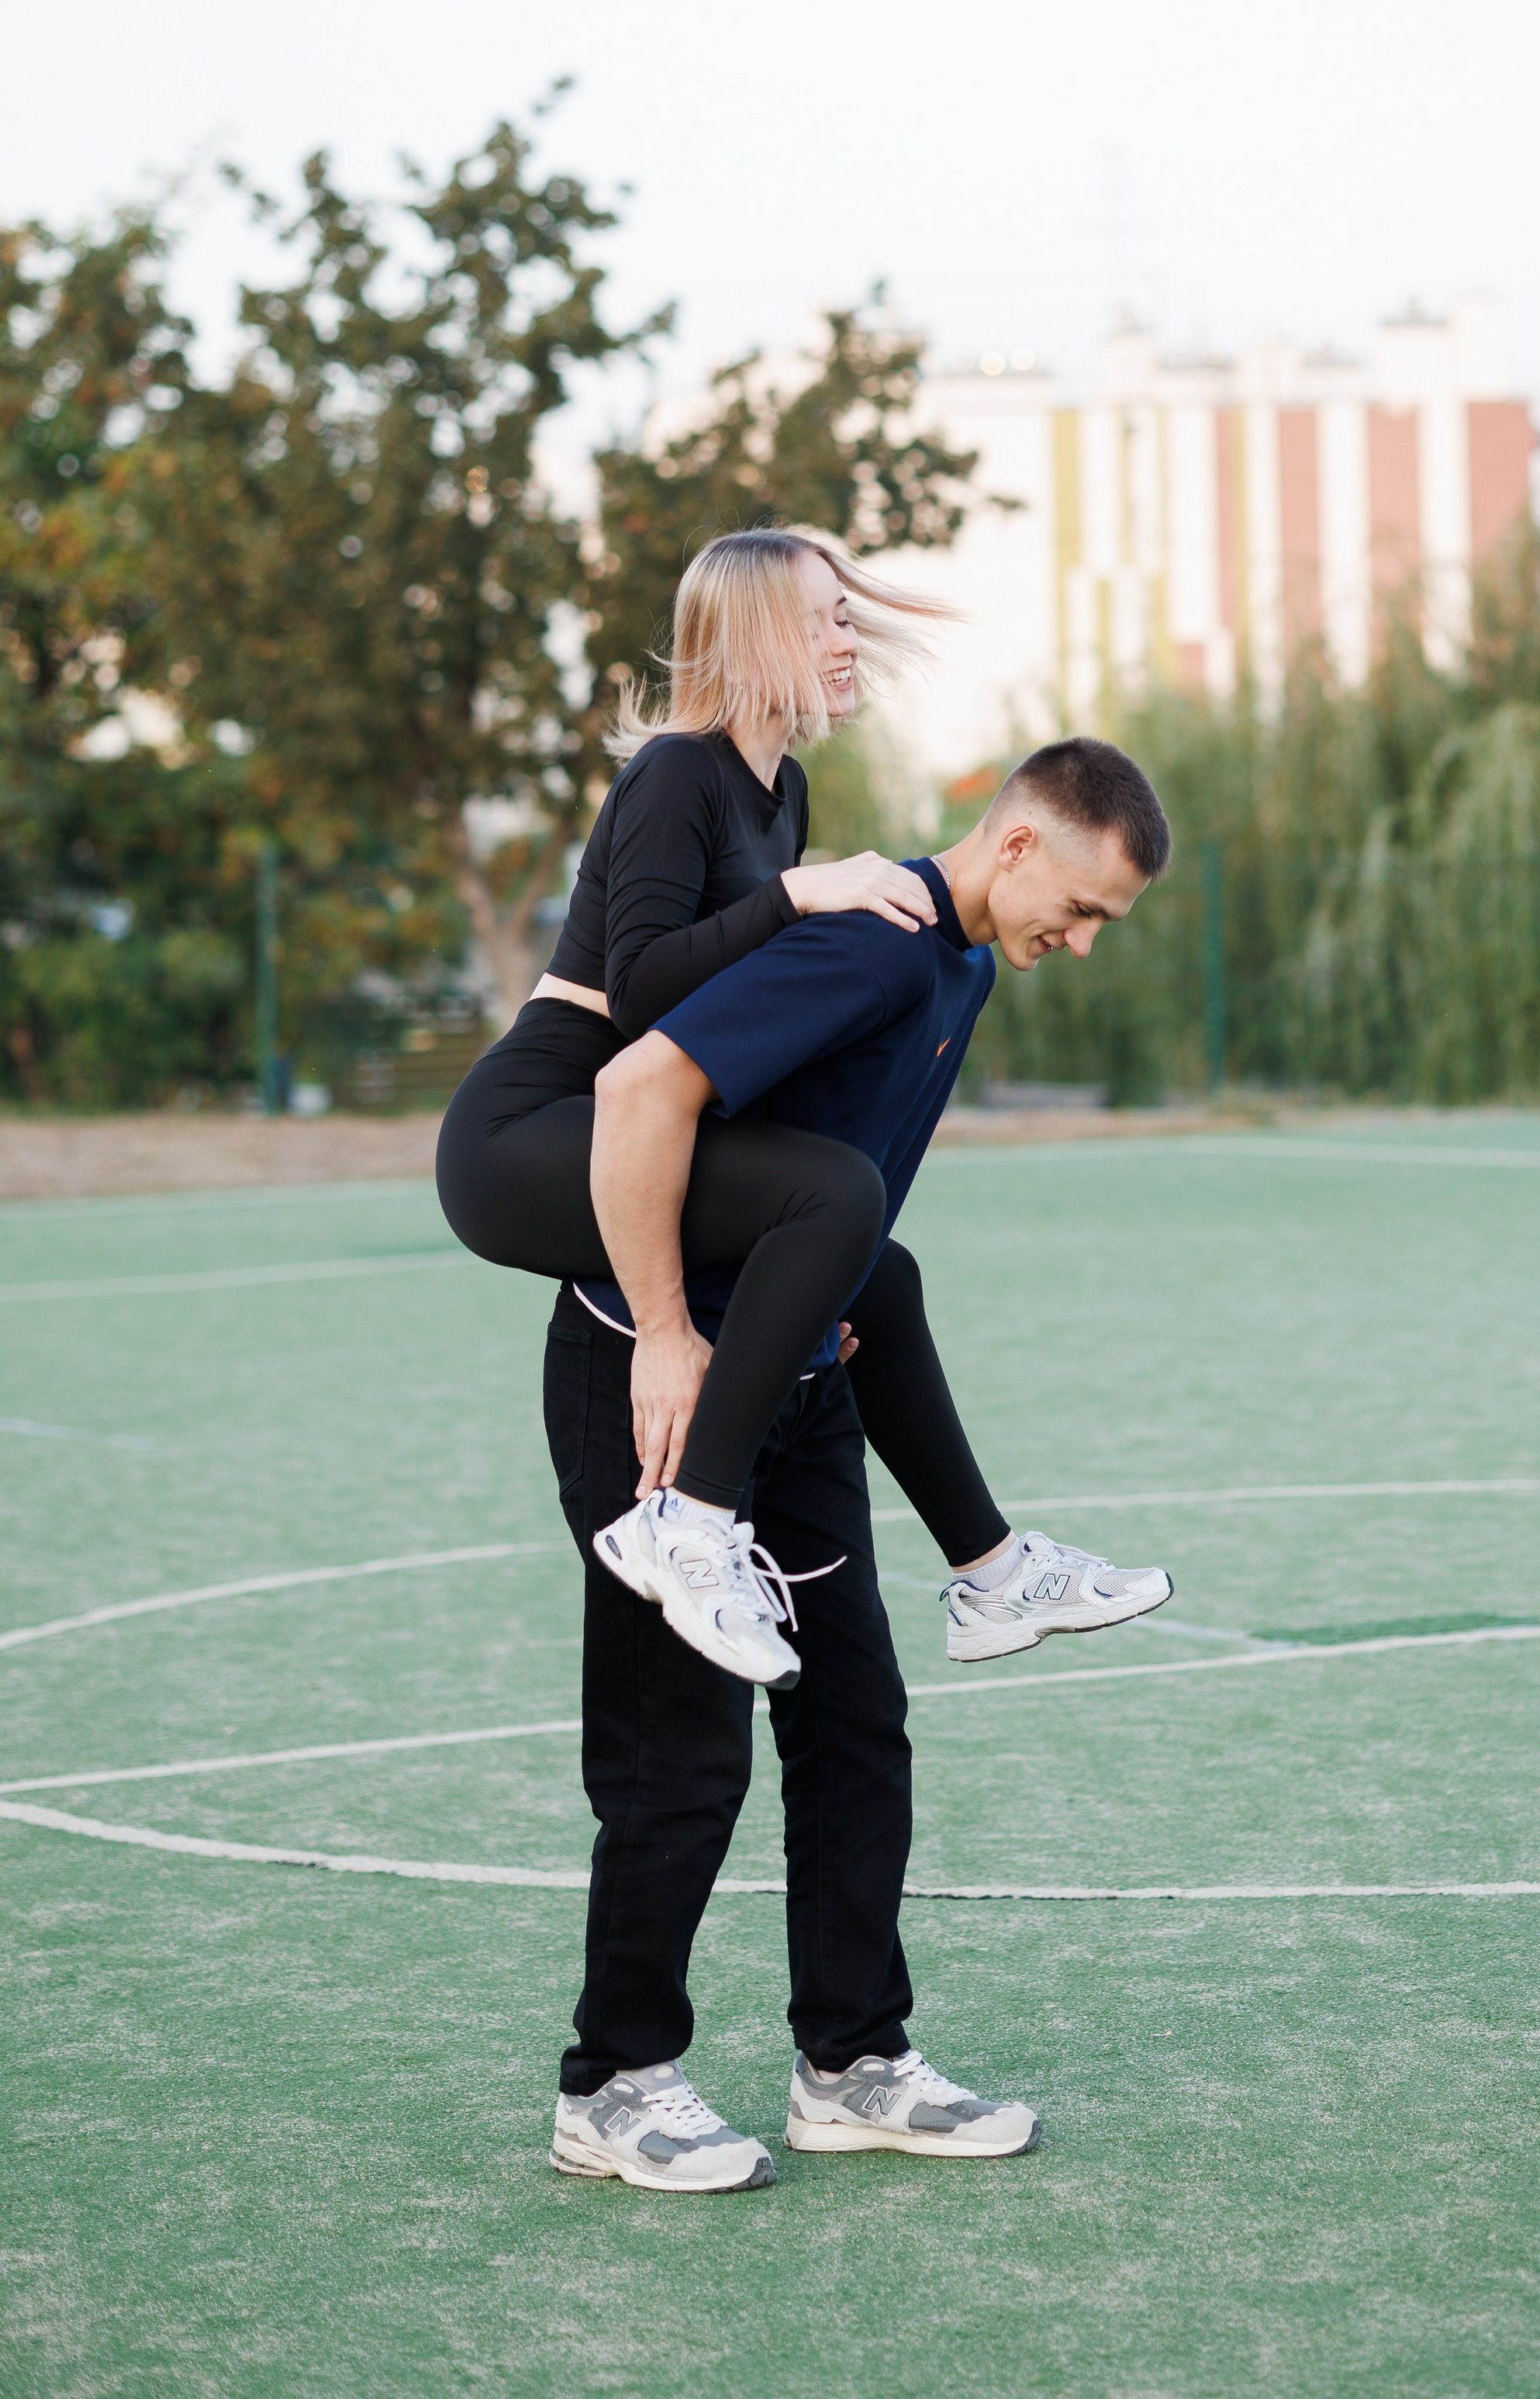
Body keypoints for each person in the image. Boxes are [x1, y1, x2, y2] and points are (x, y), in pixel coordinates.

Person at [547, 738, 1172, 2192]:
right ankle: (615, 2082)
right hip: (660, 1385)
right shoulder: (875, 947)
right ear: (1013, 845)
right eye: (1076, 909)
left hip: (803, 1381)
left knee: (852, 1727)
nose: (1075, 945)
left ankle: (852, 2062)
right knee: (681, 1751)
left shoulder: (960, 968)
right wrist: (659, 1334)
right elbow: (642, 1089)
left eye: (1101, 929)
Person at [438, 526, 1166, 1679]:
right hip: (533, 1126)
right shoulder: (679, 772)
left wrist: (810, 1279)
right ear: (758, 630)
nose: (846, 639)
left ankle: (992, 1575)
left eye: (844, 614)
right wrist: (796, 893)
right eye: (826, 615)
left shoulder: (786, 787)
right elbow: (640, 999)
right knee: (833, 1190)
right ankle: (691, 1527)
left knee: (877, 1260)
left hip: (639, 1117)